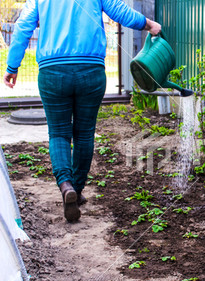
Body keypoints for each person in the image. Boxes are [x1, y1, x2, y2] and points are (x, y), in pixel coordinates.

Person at [3, 0, 161, 222]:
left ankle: (65, 185)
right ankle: (76, 191)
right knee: (84, 133)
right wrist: (149, 24)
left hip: (52, 71)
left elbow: (23, 27)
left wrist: (12, 66)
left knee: (58, 133)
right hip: (91, 70)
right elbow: (119, 11)